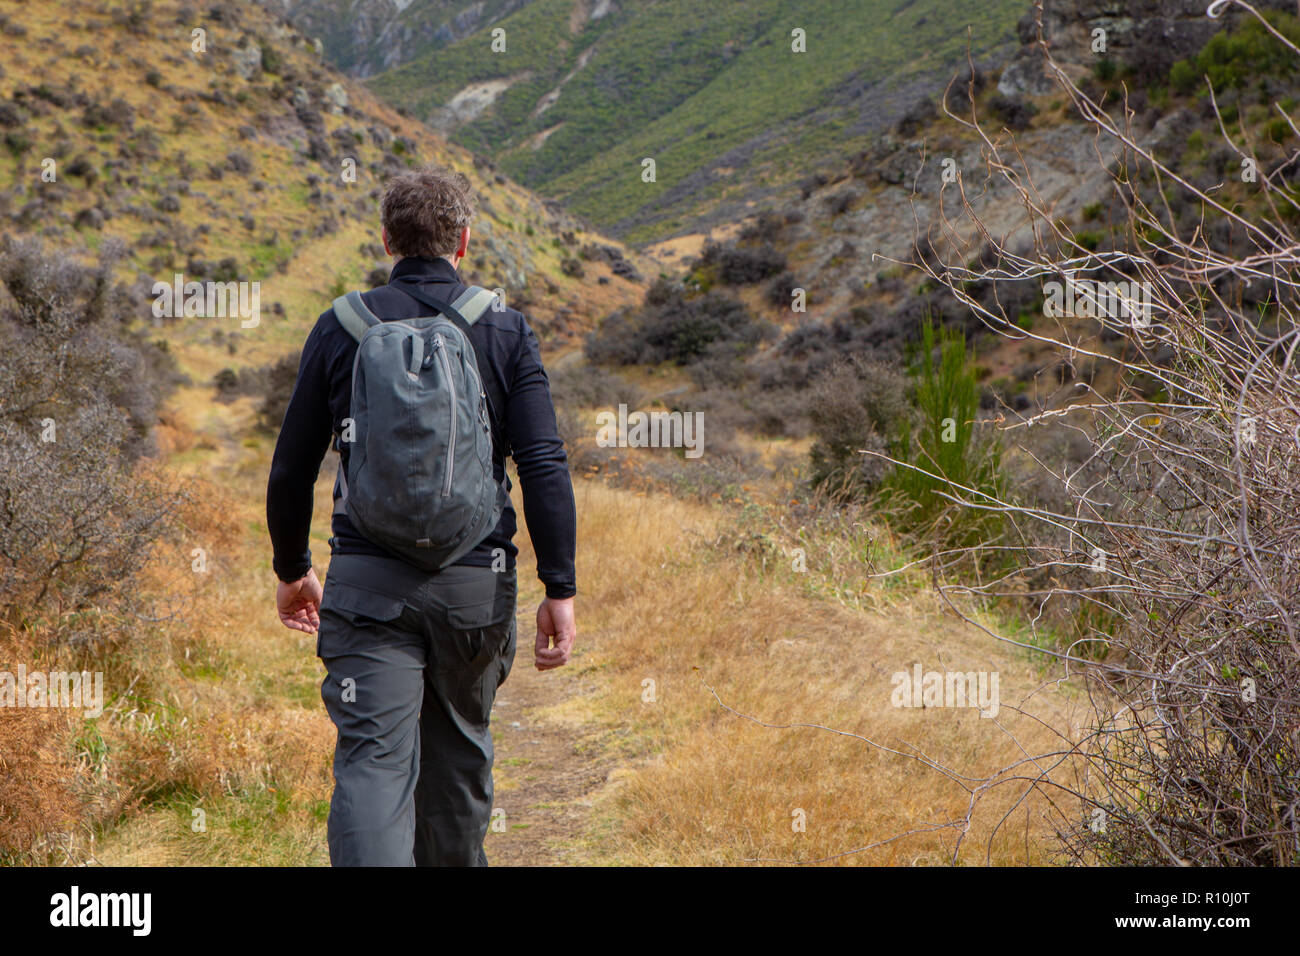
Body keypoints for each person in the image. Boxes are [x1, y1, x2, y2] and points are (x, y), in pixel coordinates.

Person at [265, 164, 577, 866]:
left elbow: (291, 468)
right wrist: (560, 587)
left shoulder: (341, 326)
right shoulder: (505, 328)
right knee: (459, 765)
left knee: (374, 766)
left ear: (386, 241)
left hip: (369, 587)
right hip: (475, 585)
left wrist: (294, 569)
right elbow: (543, 464)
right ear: (462, 242)